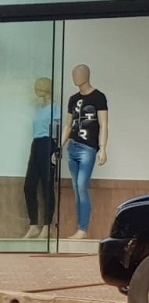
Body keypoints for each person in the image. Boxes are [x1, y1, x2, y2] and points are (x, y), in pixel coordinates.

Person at [56, 64, 109, 240]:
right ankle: (80, 229)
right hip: (73, 147)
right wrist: (60, 146)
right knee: (76, 188)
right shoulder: (73, 99)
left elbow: (104, 124)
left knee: (82, 186)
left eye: (78, 74)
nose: (76, 77)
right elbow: (68, 125)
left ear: (87, 74)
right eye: (74, 74)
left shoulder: (99, 97)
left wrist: (103, 149)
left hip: (88, 148)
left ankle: (83, 229)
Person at [23, 77, 60, 239]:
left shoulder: (56, 108)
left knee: (47, 186)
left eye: (40, 86)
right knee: (29, 186)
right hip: (37, 144)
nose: (36, 88)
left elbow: (58, 131)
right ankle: (33, 225)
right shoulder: (39, 108)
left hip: (48, 143)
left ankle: (47, 226)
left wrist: (56, 150)